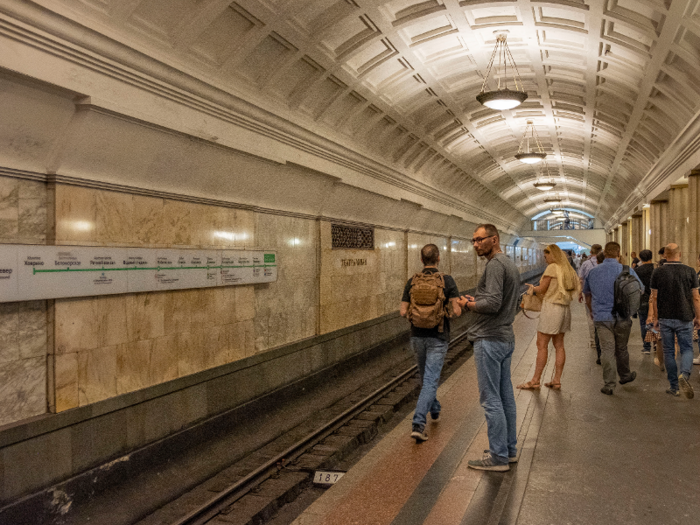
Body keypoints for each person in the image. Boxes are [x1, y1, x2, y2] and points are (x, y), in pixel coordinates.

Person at [457, 224, 520, 471]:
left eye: (480, 240)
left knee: (490, 399)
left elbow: (493, 303)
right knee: (505, 398)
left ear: (494, 240)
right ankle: (508, 450)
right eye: (473, 240)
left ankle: (497, 457)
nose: (475, 244)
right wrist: (477, 300)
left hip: (489, 338)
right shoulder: (509, 263)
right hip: (505, 336)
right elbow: (500, 300)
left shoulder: (495, 265)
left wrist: (468, 304)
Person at [401, 244, 462, 442]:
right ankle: (418, 423)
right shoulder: (447, 281)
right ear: (438, 258)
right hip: (438, 336)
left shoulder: (412, 281)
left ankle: (434, 409)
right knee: (430, 379)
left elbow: (403, 311)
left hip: (416, 336)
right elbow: (457, 311)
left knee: (426, 378)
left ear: (421, 260)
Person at [517, 245, 580, 390]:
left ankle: (535, 380)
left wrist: (532, 289)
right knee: (559, 346)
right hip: (564, 309)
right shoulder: (568, 269)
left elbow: (542, 289)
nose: (545, 260)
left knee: (541, 345)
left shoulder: (552, 268)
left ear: (552, 256)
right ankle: (556, 380)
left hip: (552, 308)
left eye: (546, 257)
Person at [584, 242, 640, 395]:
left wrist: (591, 310)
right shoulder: (627, 270)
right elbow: (639, 289)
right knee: (621, 348)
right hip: (622, 316)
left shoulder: (593, 272)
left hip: (601, 317)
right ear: (618, 253)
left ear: (604, 253)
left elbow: (587, 294)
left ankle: (609, 384)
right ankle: (625, 375)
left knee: (607, 350)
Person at [646, 243, 700, 398]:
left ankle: (674, 387)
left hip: (665, 318)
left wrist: (656, 318)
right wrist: (698, 317)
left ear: (665, 255)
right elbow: (696, 297)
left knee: (669, 351)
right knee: (687, 349)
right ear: (680, 254)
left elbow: (654, 297)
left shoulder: (658, 272)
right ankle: (684, 375)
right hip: (685, 317)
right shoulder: (690, 271)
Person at [578, 244, 603, 361]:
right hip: (602, 293)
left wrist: (580, 292)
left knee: (591, 315)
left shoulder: (586, 264)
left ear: (591, 251)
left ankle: (594, 340)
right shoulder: (604, 262)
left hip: (589, 292)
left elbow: (581, 279)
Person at [635, 250, 655, 355]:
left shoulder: (637, 271)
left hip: (642, 299)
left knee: (643, 322)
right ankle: (656, 343)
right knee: (655, 322)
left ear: (640, 258)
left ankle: (646, 347)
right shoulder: (656, 270)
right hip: (655, 300)